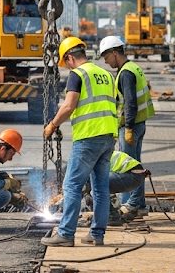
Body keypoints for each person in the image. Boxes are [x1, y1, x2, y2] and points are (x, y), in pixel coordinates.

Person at [41, 37, 119, 247]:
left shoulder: (77, 74)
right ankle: (97, 234)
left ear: (69, 58)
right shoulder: (106, 74)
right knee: (101, 189)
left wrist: (52, 125)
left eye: (65, 62)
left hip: (88, 137)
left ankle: (66, 234)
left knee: (72, 186)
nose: (66, 67)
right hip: (108, 136)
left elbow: (69, 106)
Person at [98, 35, 155, 219]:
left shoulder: (126, 73)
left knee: (129, 168)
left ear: (115, 53)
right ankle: (139, 204)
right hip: (139, 123)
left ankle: (131, 205)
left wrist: (128, 127)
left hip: (130, 126)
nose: (106, 62)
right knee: (136, 164)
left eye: (106, 57)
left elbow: (130, 102)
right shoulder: (134, 68)